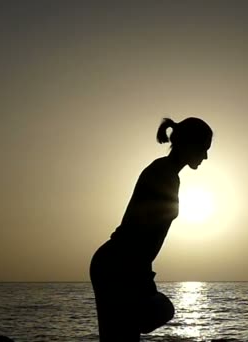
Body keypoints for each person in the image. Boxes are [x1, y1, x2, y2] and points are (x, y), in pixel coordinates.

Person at [90, 117, 213, 341]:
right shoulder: (162, 174)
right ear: (189, 144)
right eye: (204, 149)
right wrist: (140, 273)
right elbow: (141, 229)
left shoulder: (166, 173)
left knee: (125, 333)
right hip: (119, 264)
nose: (205, 156)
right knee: (139, 324)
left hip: (121, 263)